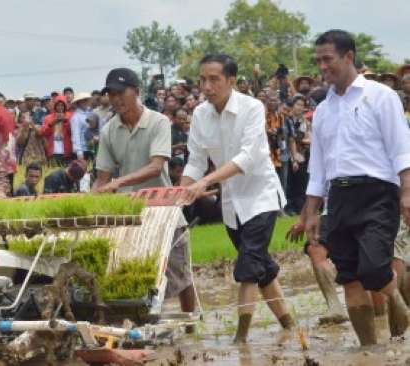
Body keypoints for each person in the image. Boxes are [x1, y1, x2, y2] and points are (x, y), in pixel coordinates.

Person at [299, 30, 410, 346]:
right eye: (318, 60)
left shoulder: (380, 96)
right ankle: (368, 350)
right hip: (339, 197)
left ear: (348, 57)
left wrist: (407, 191)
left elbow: (401, 148)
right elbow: (317, 168)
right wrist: (311, 211)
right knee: (349, 277)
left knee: (374, 267)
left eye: (328, 59)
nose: (322, 66)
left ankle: (398, 301)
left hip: (377, 194)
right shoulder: (323, 111)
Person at [178, 54, 293, 343]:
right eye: (202, 79)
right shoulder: (200, 115)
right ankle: (290, 327)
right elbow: (195, 160)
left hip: (260, 197)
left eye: (214, 79)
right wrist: (181, 192)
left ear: (231, 80)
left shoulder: (252, 107)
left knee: (247, 269)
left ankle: (240, 341)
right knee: (262, 269)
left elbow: (248, 158)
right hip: (231, 204)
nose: (207, 86)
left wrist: (206, 180)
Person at [92, 67, 197, 325]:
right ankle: (139, 322)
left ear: (136, 92)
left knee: (180, 272)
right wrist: (90, 202)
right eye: (111, 94)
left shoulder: (159, 122)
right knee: (134, 271)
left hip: (164, 209)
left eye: (120, 93)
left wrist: (118, 182)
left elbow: (156, 165)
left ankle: (191, 325)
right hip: (130, 214)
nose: (115, 99)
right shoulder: (108, 131)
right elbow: (102, 178)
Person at [41, 95, 72, 167]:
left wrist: (66, 121)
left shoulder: (70, 116)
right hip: (52, 152)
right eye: (58, 105)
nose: (60, 107)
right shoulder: (48, 118)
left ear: (65, 106)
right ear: (55, 106)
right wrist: (53, 123)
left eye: (62, 105)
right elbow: (44, 133)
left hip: (66, 152)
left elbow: (72, 132)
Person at [70, 92, 94, 161]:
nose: (86, 102)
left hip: (90, 148)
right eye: (83, 101)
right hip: (82, 150)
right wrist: (79, 152)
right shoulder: (76, 117)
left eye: (86, 100)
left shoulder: (89, 114)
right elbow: (75, 135)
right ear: (78, 103)